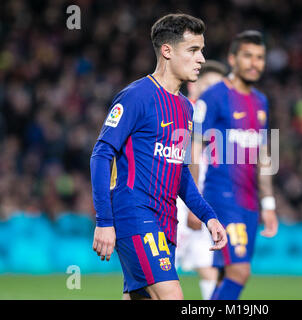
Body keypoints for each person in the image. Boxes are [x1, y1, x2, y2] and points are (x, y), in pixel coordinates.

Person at [90, 13, 227, 300]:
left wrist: (208, 217)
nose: (201, 58)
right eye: (193, 50)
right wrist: (104, 221)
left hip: (167, 222)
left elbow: (179, 172)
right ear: (167, 51)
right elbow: (102, 154)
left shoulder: (186, 110)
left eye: (201, 50)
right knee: (172, 296)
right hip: (135, 213)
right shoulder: (136, 97)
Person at [192, 30, 278, 300]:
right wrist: (195, 202)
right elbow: (194, 147)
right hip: (221, 195)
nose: (255, 63)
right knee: (240, 271)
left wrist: (269, 204)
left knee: (225, 276)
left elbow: (264, 153)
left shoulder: (261, 101)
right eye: (248, 56)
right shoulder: (214, 97)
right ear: (233, 58)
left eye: (260, 57)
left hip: (249, 201)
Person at [175, 60, 228, 300]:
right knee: (162, 267)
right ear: (193, 85)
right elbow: (191, 157)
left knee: (209, 266)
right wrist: (192, 206)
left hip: (202, 202)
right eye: (208, 85)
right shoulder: (187, 112)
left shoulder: (216, 118)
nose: (214, 92)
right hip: (179, 202)